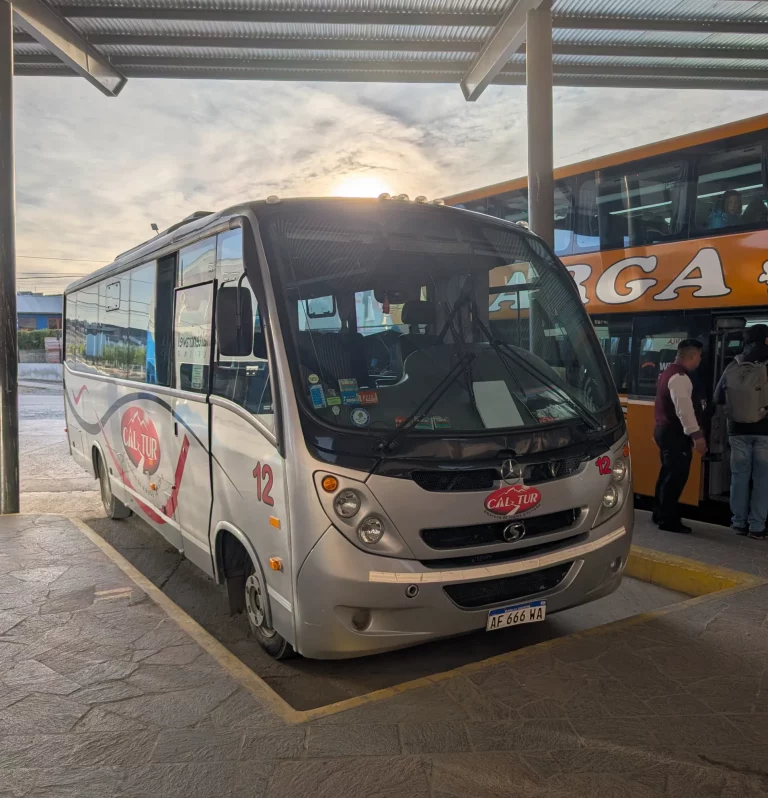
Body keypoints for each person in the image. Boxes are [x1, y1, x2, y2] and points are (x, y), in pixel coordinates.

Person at [715, 324, 768, 539]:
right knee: (762, 479)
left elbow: (718, 397)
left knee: (739, 477)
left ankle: (738, 523)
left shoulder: (732, 365)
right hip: (764, 431)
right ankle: (757, 527)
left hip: (736, 430)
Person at [653, 339, 707, 533]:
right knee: (676, 476)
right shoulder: (680, 377)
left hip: (664, 430)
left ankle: (659, 513)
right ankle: (668, 520)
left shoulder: (667, 373)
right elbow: (684, 410)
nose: (700, 360)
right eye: (699, 356)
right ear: (692, 356)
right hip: (674, 433)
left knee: (667, 472)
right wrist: (696, 435)